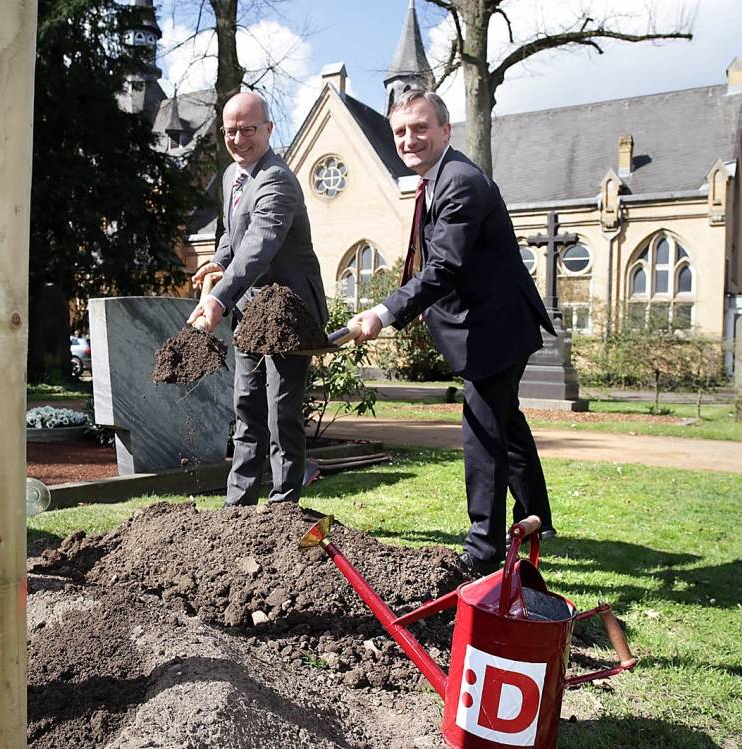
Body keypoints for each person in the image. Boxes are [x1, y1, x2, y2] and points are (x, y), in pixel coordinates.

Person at [346, 89, 557, 576]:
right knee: (505, 424)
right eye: (400, 131)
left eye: (420, 128)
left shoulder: (458, 181)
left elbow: (444, 267)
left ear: (445, 130)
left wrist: (384, 312)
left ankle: (483, 551)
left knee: (482, 433)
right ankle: (538, 518)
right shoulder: (437, 180)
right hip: (495, 324)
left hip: (493, 330)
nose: (408, 139)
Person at [188, 92, 327, 506]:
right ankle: (239, 505)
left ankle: (284, 505)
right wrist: (216, 261)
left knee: (281, 411)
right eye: (230, 130)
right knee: (246, 404)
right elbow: (235, 236)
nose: (239, 138)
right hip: (252, 311)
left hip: (289, 312)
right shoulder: (233, 176)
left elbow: (260, 244)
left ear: (268, 129)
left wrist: (219, 300)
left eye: (248, 129)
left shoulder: (277, 180)